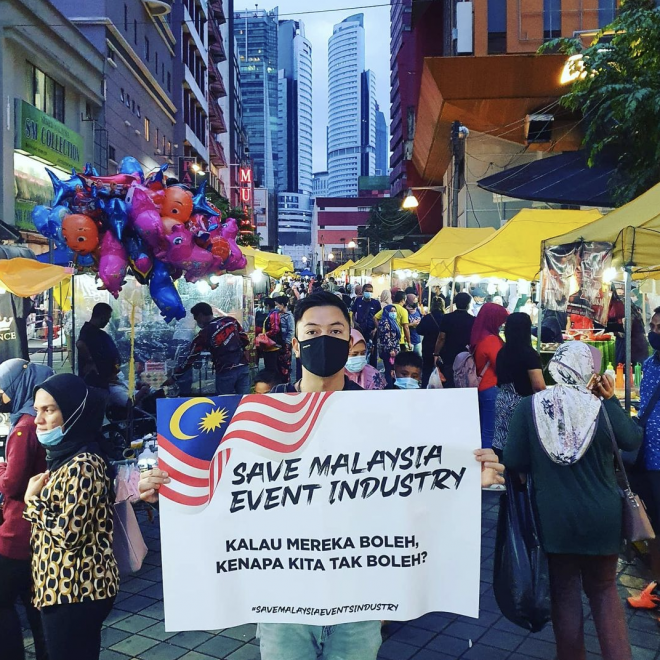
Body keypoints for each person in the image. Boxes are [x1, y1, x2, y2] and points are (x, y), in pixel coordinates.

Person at [139, 291, 505, 660]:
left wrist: (464, 479)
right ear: (296, 345)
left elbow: (414, 486)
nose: (324, 339)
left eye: (335, 331)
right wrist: (166, 488)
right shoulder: (256, 415)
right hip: (284, 601)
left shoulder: (382, 415)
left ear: (350, 341)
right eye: (313, 332)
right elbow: (222, 488)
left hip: (359, 599)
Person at [504, 342, 642, 660]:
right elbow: (632, 439)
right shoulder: (601, 407)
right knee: (605, 590)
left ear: (555, 367)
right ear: (589, 371)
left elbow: (513, 459)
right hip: (603, 517)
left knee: (565, 593)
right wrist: (610, 399)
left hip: (555, 519)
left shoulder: (529, 407)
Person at [24, 374, 119, 660]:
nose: (38, 420)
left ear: (74, 411)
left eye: (49, 410)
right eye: (37, 410)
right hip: (65, 588)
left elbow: (69, 534)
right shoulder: (64, 456)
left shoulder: (84, 463)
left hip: (76, 589)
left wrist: (32, 502)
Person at [0, 359, 53, 660]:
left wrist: (1, 470)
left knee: (3, 601)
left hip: (18, 531)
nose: (3, 398)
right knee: (36, 603)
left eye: (4, 390)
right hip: (40, 528)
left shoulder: (24, 427)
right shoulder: (44, 422)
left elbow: (12, 484)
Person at [166, 302, 250, 395]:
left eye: (196, 318)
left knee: (225, 401)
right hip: (243, 367)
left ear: (201, 315)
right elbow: (245, 340)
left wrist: (174, 377)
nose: (196, 321)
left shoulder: (203, 334)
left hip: (225, 371)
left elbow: (190, 359)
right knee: (245, 400)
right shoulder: (230, 321)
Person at [492, 313, 545, 459]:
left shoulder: (502, 352)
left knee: (501, 443)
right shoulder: (529, 354)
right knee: (519, 447)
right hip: (521, 404)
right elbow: (539, 386)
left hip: (502, 401)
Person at [635, 307, 660, 586]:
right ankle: (656, 584)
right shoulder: (650, 364)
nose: (654, 333)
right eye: (652, 327)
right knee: (653, 523)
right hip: (648, 455)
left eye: (659, 328)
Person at [471, 303, 508, 449]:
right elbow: (500, 365)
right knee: (489, 431)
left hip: (482, 387)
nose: (502, 324)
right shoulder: (491, 340)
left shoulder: (480, 335)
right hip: (491, 387)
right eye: (500, 320)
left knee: (483, 427)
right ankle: (486, 459)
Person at [433, 292, 475, 389]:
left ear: (455, 303)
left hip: (449, 354)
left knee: (450, 380)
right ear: (468, 304)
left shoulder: (447, 318)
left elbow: (441, 337)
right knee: (465, 381)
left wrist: (436, 353)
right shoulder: (472, 320)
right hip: (466, 355)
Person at [76, 302, 121, 389]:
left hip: (103, 381)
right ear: (102, 316)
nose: (108, 321)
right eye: (108, 318)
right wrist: (90, 361)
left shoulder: (99, 333)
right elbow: (80, 344)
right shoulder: (88, 330)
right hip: (94, 383)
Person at [417, 297, 445, 388]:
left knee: (426, 371)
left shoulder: (427, 318)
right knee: (442, 371)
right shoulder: (445, 318)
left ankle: (425, 388)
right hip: (442, 348)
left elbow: (419, 330)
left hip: (427, 347)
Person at [351, 283, 381, 367]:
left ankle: (372, 370)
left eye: (371, 291)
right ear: (363, 291)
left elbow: (379, 318)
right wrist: (354, 323)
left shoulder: (376, 303)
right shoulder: (358, 301)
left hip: (372, 332)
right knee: (360, 349)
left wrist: (375, 329)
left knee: (372, 353)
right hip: (360, 330)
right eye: (367, 291)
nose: (369, 293)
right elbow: (352, 312)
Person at [377, 304, 401, 388]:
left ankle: (392, 386)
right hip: (389, 351)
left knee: (393, 370)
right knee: (389, 370)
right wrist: (391, 350)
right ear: (387, 312)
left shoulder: (393, 321)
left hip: (394, 349)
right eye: (391, 311)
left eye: (394, 311)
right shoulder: (385, 322)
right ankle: (389, 388)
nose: (393, 313)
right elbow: (386, 337)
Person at [274, 295, 295, 383]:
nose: (276, 307)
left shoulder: (289, 316)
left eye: (277, 305)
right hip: (278, 343)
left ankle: (286, 383)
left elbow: (291, 330)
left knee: (285, 365)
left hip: (285, 344)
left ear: (282, 304)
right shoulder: (277, 314)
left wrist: (287, 343)